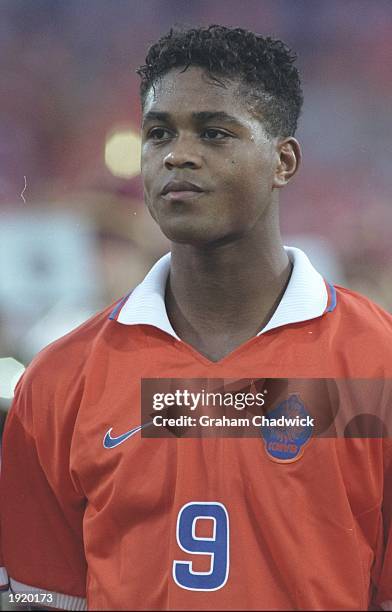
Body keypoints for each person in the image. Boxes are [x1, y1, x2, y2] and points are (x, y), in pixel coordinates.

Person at [1, 24, 392, 611]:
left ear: (284, 161)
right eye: (158, 134)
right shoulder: (60, 380)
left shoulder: (376, 365)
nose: (177, 154)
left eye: (213, 132)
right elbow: (42, 597)